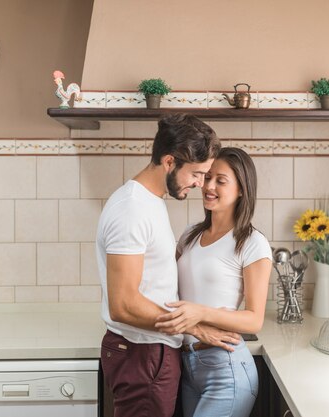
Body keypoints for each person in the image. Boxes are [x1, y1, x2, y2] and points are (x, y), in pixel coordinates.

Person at [96, 114, 241, 417]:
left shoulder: (150, 202)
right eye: (197, 173)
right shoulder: (132, 209)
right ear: (169, 162)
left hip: (151, 353)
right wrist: (196, 327)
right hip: (143, 355)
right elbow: (123, 304)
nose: (200, 183)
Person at [155, 147, 273, 417]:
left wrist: (200, 313)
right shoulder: (190, 235)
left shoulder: (252, 243)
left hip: (226, 370)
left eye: (221, 180)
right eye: (208, 178)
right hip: (188, 363)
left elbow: (254, 320)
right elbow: (166, 285)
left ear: (242, 189)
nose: (209, 186)